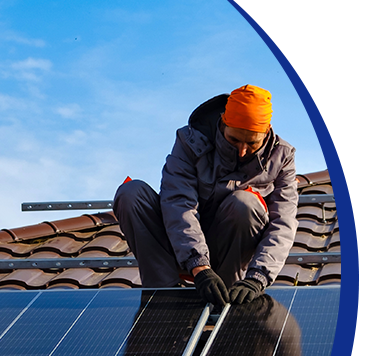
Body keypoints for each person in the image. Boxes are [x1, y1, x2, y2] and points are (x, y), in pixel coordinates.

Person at [112, 85, 297, 307]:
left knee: (245, 203)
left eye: (252, 143)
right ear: (222, 123)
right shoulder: (190, 141)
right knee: (132, 194)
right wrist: (199, 265)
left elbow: (283, 223)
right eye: (234, 140)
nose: (242, 151)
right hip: (179, 247)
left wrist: (258, 278)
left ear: (267, 132)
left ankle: (226, 299)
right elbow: (179, 203)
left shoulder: (282, 157)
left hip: (229, 256)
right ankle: (163, 297)